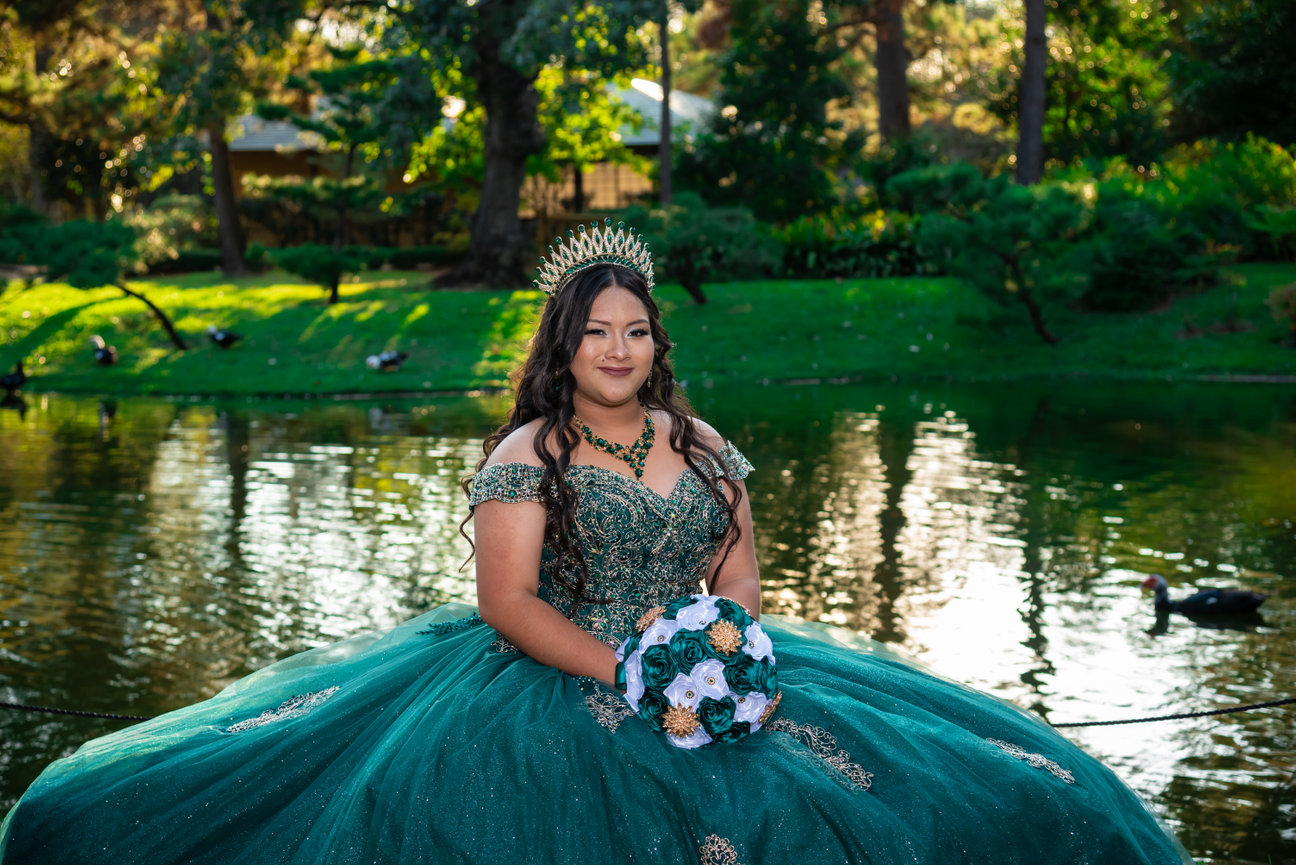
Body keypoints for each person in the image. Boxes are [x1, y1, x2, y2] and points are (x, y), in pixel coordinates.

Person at [0, 221, 1190, 865]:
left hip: (702, 659)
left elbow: (737, 563)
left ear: (656, 340)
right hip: (552, 672)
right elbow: (509, 603)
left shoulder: (701, 439)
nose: (618, 349)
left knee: (931, 794)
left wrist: (726, 644)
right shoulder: (529, 452)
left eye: (636, 330)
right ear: (564, 344)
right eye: (596, 332)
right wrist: (636, 671)